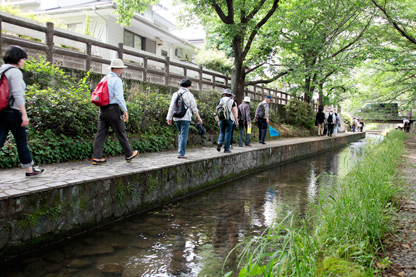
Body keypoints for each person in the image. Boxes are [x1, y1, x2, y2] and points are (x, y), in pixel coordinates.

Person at [0, 46, 45, 176]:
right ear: (17, 59)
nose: (24, 61)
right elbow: (17, 94)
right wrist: (24, 114)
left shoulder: (2, 70)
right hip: (14, 112)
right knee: (21, 142)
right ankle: (29, 170)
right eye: (23, 59)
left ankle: (30, 169)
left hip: (1, 111)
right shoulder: (15, 72)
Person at [92, 59, 139, 165]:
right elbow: (119, 97)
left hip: (102, 109)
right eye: (121, 68)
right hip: (113, 109)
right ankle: (129, 154)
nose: (122, 71)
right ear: (117, 69)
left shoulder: (104, 78)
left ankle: (97, 157)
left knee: (100, 133)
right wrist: (125, 110)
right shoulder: (116, 80)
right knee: (120, 132)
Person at [167, 78, 203, 158]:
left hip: (176, 117)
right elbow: (194, 108)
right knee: (183, 135)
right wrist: (199, 118)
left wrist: (169, 117)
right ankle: (181, 153)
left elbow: (172, 106)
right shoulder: (189, 94)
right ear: (189, 86)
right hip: (185, 118)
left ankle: (180, 151)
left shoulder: (175, 94)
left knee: (180, 134)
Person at [216, 89, 238, 153]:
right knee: (228, 133)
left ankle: (219, 142)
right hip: (229, 119)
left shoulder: (220, 100)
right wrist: (236, 120)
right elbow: (234, 112)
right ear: (230, 95)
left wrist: (218, 120)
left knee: (222, 132)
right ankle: (226, 148)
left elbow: (217, 110)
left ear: (224, 94)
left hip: (221, 119)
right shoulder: (232, 101)